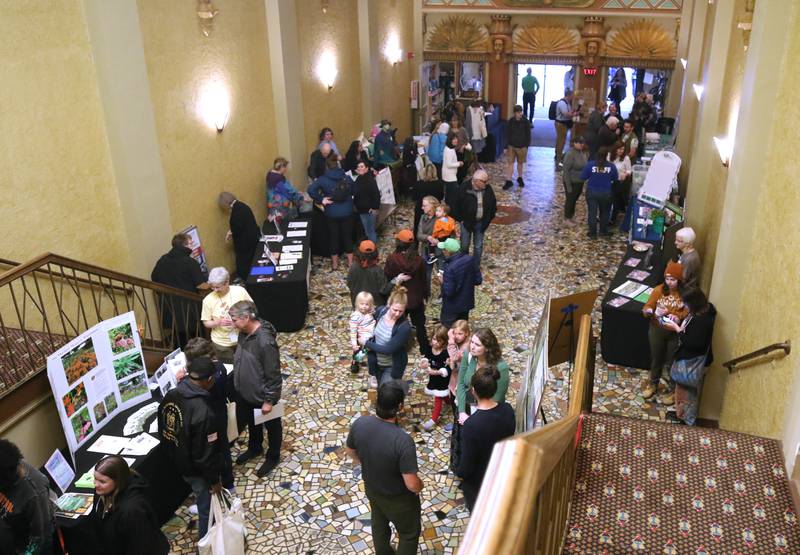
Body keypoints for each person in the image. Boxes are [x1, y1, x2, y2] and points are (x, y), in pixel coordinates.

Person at [346, 381, 423, 555]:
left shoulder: (360, 423)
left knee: (379, 523)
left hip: (372, 489)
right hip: (399, 500)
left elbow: (350, 451)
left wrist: (366, 462)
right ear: (400, 407)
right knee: (409, 534)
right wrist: (420, 486)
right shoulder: (403, 441)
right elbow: (411, 484)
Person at [157, 356, 223, 539]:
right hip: (196, 470)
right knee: (206, 509)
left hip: (178, 460)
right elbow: (205, 454)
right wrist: (214, 481)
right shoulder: (204, 412)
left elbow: (163, 427)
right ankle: (207, 544)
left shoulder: (172, 394)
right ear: (209, 380)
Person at [229, 300, 283, 478]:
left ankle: (273, 456)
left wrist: (269, 400)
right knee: (253, 422)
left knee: (272, 426)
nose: (232, 323)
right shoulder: (243, 333)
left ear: (246, 318)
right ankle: (255, 447)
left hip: (264, 396)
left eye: (234, 319)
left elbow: (273, 373)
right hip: (247, 393)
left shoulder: (265, 341)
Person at [457, 367, 515, 511]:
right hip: (501, 473)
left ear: (474, 391)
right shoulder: (507, 410)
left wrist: (459, 472)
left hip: (481, 482)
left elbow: (467, 467)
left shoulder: (472, 425)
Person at [183, 338, 235, 493]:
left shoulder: (213, 376)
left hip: (214, 416)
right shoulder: (218, 368)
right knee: (222, 447)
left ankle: (227, 483)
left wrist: (186, 379)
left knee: (220, 449)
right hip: (216, 413)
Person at [90, 456, 169, 554]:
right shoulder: (103, 491)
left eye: (102, 481)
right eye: (95, 478)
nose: (95, 484)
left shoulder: (132, 510)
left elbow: (140, 546)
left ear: (118, 481)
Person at [663, 288, 716, 426]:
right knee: (683, 393)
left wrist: (677, 329)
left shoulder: (702, 321)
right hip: (694, 360)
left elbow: (693, 342)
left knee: (687, 395)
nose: (684, 306)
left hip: (691, 362)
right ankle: (681, 415)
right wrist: (680, 322)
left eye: (686, 303)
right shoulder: (706, 311)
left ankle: (686, 421)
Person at [642, 261, 689, 404]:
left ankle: (672, 390)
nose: (669, 282)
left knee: (671, 362)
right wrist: (649, 311)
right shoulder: (658, 290)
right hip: (657, 330)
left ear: (679, 279)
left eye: (673, 279)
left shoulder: (685, 293)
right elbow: (647, 306)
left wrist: (679, 316)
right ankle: (653, 384)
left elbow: (687, 311)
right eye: (667, 279)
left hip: (674, 333)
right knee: (656, 358)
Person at [150, 233, 207, 347]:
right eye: (191, 244)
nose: (192, 246)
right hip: (190, 310)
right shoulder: (191, 263)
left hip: (170, 309)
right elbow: (200, 285)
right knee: (196, 342)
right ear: (184, 246)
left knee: (180, 340)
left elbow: (154, 278)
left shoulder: (163, 260)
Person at [0, 439, 54, 555]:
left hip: (28, 546)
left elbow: (39, 538)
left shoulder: (34, 494)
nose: (21, 467)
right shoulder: (8, 465)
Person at [384, 230, 431, 355]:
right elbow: (423, 279)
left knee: (398, 325)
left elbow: (388, 277)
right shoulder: (419, 260)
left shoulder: (392, 259)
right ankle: (425, 349)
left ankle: (399, 348)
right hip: (416, 298)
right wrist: (425, 295)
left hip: (400, 299)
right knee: (420, 326)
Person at [308, 154, 355, 271]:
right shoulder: (346, 177)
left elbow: (310, 189)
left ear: (327, 166)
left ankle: (335, 264)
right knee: (347, 236)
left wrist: (321, 199)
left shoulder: (323, 179)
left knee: (333, 237)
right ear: (338, 164)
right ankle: (350, 262)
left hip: (331, 212)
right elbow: (354, 190)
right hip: (347, 211)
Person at [455, 328, 510, 425]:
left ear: (487, 348)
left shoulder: (501, 367)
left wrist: (475, 419)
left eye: (477, 345)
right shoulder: (468, 356)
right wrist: (462, 412)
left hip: (489, 413)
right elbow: (461, 383)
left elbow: (497, 398)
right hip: (468, 405)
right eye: (472, 342)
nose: (472, 347)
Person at [201, 266, 253, 363]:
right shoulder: (207, 300)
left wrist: (239, 323)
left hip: (244, 337)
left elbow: (252, 310)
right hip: (221, 343)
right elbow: (206, 322)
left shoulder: (240, 291)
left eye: (218, 287)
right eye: (212, 287)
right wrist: (217, 322)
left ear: (227, 282)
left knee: (247, 364)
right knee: (230, 370)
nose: (215, 290)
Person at [364, 286, 413, 389]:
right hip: (376, 362)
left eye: (401, 311)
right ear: (389, 304)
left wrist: (366, 343)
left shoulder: (404, 327)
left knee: (386, 392)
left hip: (392, 366)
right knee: (376, 389)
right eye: (395, 310)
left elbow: (388, 349)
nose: (397, 314)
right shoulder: (380, 312)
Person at [454, 169, 496, 270]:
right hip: (466, 223)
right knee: (464, 245)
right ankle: (464, 265)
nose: (487, 183)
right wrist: (461, 219)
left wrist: (489, 218)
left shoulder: (488, 189)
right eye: (484, 181)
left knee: (478, 246)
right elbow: (455, 205)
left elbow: (493, 204)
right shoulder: (464, 188)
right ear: (476, 181)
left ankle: (475, 266)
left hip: (481, 223)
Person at [438, 238, 481, 327]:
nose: (442, 251)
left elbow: (449, 292)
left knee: (448, 332)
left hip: (451, 308)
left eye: (443, 249)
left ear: (448, 251)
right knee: (462, 329)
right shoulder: (470, 260)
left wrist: (443, 281)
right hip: (465, 304)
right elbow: (478, 280)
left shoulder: (450, 268)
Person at [218, 192, 260, 282]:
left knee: (244, 264)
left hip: (245, 243)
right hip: (253, 237)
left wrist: (231, 233)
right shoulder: (242, 205)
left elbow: (237, 229)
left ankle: (246, 280)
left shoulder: (235, 213)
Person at [579, 147, 619, 238]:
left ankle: (592, 233)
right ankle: (603, 231)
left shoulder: (590, 165)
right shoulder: (611, 166)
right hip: (606, 193)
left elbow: (582, 177)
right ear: (606, 156)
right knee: (605, 213)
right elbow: (615, 178)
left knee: (592, 213)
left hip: (592, 192)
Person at [419, 324, 452, 431]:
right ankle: (449, 402)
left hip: (443, 380)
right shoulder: (429, 348)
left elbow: (448, 369)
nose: (435, 343)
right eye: (434, 339)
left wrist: (437, 372)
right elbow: (426, 358)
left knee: (438, 397)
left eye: (438, 341)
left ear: (444, 342)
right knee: (443, 395)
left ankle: (433, 420)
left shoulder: (445, 353)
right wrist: (424, 363)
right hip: (433, 377)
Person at [347, 240, 388, 308]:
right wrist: (394, 281)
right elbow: (384, 289)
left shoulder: (353, 267)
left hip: (358, 303)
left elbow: (349, 284)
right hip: (374, 305)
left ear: (358, 252)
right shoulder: (377, 270)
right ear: (375, 253)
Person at [266, 157, 307, 225]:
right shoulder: (278, 179)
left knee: (277, 223)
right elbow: (288, 192)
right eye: (285, 167)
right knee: (284, 224)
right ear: (281, 167)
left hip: (272, 204)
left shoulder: (270, 175)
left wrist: (296, 192)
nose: (286, 170)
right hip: (280, 206)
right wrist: (301, 197)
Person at [504, 105, 531, 190]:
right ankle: (509, 180)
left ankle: (520, 178)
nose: (520, 114)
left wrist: (526, 146)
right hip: (512, 146)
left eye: (521, 112)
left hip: (522, 146)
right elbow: (507, 134)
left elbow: (528, 134)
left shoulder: (526, 121)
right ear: (515, 113)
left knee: (520, 163)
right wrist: (506, 146)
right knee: (510, 163)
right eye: (518, 112)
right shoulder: (511, 122)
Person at [352, 160, 381, 244]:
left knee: (370, 231)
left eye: (362, 166)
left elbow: (376, 195)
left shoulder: (370, 180)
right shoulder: (359, 178)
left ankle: (372, 250)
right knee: (367, 231)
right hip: (361, 210)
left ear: (366, 168)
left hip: (368, 210)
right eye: (358, 167)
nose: (359, 168)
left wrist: (375, 208)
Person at [562, 135, 588, 222]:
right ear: (574, 143)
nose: (581, 145)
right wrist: (568, 186)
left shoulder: (583, 153)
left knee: (574, 199)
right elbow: (565, 170)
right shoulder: (570, 154)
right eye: (579, 143)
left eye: (582, 143)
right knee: (570, 199)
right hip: (572, 181)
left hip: (579, 181)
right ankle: (567, 217)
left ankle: (571, 215)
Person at [349, 291, 376, 374]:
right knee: (360, 352)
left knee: (369, 351)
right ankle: (355, 362)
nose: (364, 306)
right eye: (362, 304)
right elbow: (353, 331)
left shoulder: (370, 312)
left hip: (372, 336)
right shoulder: (356, 316)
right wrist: (354, 344)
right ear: (357, 304)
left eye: (367, 304)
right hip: (362, 339)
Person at [416, 195, 439, 286]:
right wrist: (429, 238)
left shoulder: (441, 217)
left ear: (432, 206)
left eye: (424, 205)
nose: (422, 207)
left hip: (439, 250)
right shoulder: (423, 217)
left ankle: (443, 295)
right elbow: (419, 235)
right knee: (426, 273)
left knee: (441, 272)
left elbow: (449, 234)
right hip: (426, 250)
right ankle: (426, 293)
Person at [608, 141, 632, 225]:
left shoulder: (626, 158)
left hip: (619, 182)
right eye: (620, 149)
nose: (621, 151)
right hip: (608, 181)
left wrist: (625, 174)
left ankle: (613, 219)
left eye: (623, 149)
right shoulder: (609, 156)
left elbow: (629, 170)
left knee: (615, 200)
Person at [554, 89, 577, 166]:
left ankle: (557, 154)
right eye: (572, 96)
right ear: (569, 95)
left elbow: (568, 112)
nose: (573, 97)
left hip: (563, 124)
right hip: (561, 124)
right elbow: (566, 114)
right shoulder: (562, 103)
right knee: (561, 141)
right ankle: (559, 158)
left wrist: (573, 111)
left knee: (560, 140)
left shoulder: (567, 103)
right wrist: (574, 114)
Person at [441, 133, 463, 207]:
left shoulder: (449, 148)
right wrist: (458, 164)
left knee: (449, 194)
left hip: (448, 175)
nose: (456, 140)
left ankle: (448, 209)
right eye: (454, 139)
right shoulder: (449, 150)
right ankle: (451, 210)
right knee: (452, 196)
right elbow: (449, 164)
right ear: (450, 140)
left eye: (456, 138)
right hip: (450, 177)